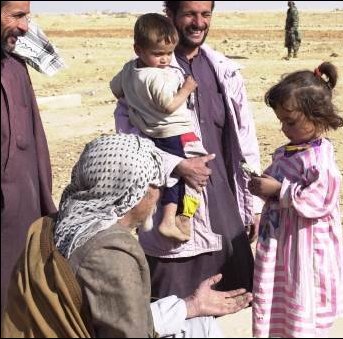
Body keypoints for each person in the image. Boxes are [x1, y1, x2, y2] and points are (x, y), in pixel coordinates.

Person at [1, 134, 252, 337]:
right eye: (155, 184)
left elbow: (113, 315)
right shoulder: (110, 252)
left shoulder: (52, 225)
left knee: (198, 324)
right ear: (134, 193)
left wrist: (191, 306)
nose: (158, 193)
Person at [114, 0, 262, 299]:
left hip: (225, 207)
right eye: (189, 14)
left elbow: (245, 137)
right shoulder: (143, 73)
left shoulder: (224, 69)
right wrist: (174, 166)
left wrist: (254, 205)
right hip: (172, 202)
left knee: (231, 302)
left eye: (205, 14)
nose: (198, 22)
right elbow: (127, 136)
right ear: (170, 15)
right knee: (174, 308)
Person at [250, 62, 343, 337]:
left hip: (305, 249)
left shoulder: (320, 160)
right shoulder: (290, 151)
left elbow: (319, 200)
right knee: (280, 302)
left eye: (290, 122)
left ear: (317, 117)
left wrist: (278, 191)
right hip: (283, 245)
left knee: (303, 303)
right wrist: (260, 184)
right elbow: (277, 179)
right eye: (281, 121)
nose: (284, 128)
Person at [110, 13, 205, 242]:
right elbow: (169, 106)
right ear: (138, 49)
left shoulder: (129, 70)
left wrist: (138, 102)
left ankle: (149, 215)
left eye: (169, 53)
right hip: (171, 131)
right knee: (177, 176)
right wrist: (187, 88)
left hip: (148, 132)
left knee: (155, 174)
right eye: (157, 54)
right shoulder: (156, 77)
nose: (164, 60)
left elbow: (115, 89)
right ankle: (169, 220)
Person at [1, 0, 56, 317]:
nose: (25, 27)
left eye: (27, 16)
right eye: (17, 16)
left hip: (26, 218)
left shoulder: (15, 65)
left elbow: (34, 142)